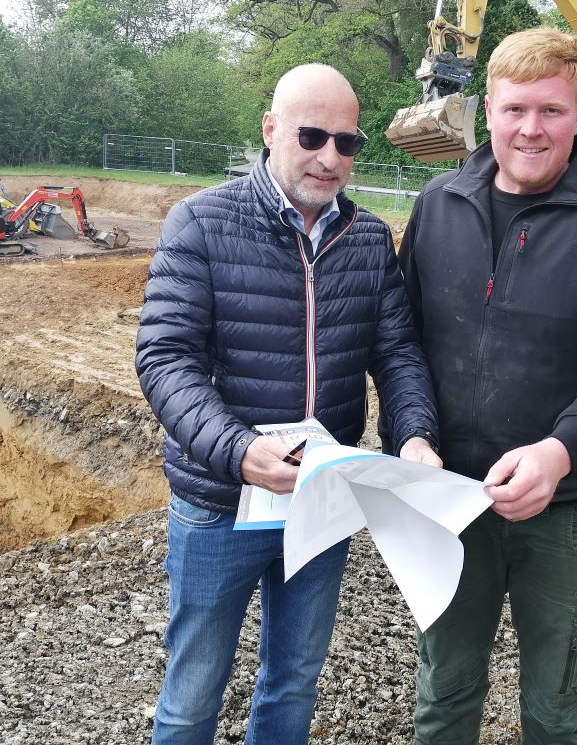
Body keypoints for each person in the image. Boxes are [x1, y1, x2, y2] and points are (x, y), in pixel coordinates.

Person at [136, 62, 440, 745]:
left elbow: (395, 352)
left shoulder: (365, 238)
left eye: (347, 142)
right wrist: (239, 451)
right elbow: (165, 358)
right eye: (311, 136)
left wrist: (413, 435)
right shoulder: (202, 222)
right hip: (219, 501)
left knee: (295, 680)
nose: (329, 157)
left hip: (319, 499)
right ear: (271, 129)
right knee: (192, 692)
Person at [393, 27, 577, 744]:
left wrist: (558, 452)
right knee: (443, 696)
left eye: (550, 111)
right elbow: (401, 342)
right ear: (486, 109)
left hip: (573, 510)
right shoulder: (438, 203)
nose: (531, 129)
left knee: (556, 712)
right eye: (515, 109)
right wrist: (411, 434)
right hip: (448, 502)